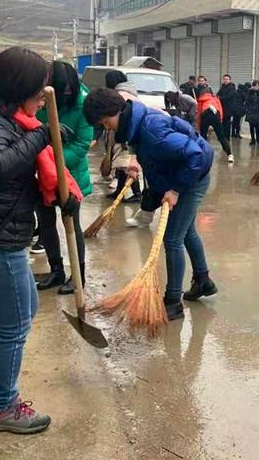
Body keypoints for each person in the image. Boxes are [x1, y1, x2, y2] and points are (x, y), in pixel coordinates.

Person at [0, 46, 72, 434]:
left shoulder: (6, 122)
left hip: (2, 233)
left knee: (18, 314)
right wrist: (41, 136)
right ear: (17, 87)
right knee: (15, 325)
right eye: (38, 90)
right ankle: (3, 407)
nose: (42, 98)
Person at [83, 89, 218, 322]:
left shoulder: (150, 129)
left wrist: (175, 189)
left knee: (172, 238)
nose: (107, 128)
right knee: (187, 232)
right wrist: (138, 163)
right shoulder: (135, 123)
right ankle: (203, 280)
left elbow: (194, 155)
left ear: (117, 111)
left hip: (192, 176)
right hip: (184, 174)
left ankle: (172, 302)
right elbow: (156, 152)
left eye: (106, 122)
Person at [35, 60, 93, 295]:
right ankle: (56, 270)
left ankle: (78, 275)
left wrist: (56, 163)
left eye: (71, 89)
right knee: (46, 223)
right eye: (63, 90)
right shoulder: (41, 101)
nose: (68, 93)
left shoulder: (82, 104)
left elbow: (81, 144)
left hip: (71, 175)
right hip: (41, 173)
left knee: (72, 224)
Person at [103, 69, 141, 202]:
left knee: (125, 164)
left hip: (125, 134)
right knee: (121, 165)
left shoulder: (120, 95)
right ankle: (120, 191)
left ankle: (137, 194)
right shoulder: (129, 91)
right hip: (126, 132)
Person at [196, 84, 233, 162]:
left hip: (205, 114)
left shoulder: (201, 99)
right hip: (216, 114)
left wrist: (199, 127)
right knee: (221, 136)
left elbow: (199, 113)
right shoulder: (215, 99)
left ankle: (202, 154)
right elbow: (220, 110)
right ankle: (230, 155)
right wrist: (220, 121)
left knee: (203, 136)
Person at [217, 74, 238, 140]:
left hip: (228, 108)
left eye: (227, 79)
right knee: (222, 122)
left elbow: (229, 96)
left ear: (229, 80)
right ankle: (222, 136)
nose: (225, 80)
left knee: (227, 123)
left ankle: (227, 136)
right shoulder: (222, 86)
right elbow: (218, 93)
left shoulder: (232, 87)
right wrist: (217, 96)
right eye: (224, 79)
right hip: (221, 107)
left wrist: (220, 98)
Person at [245, 80, 259, 146]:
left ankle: (258, 139)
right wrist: (249, 91)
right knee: (251, 126)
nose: (256, 87)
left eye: (257, 86)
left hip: (258, 111)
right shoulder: (249, 92)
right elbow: (246, 100)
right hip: (250, 111)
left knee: (257, 126)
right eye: (255, 85)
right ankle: (252, 139)